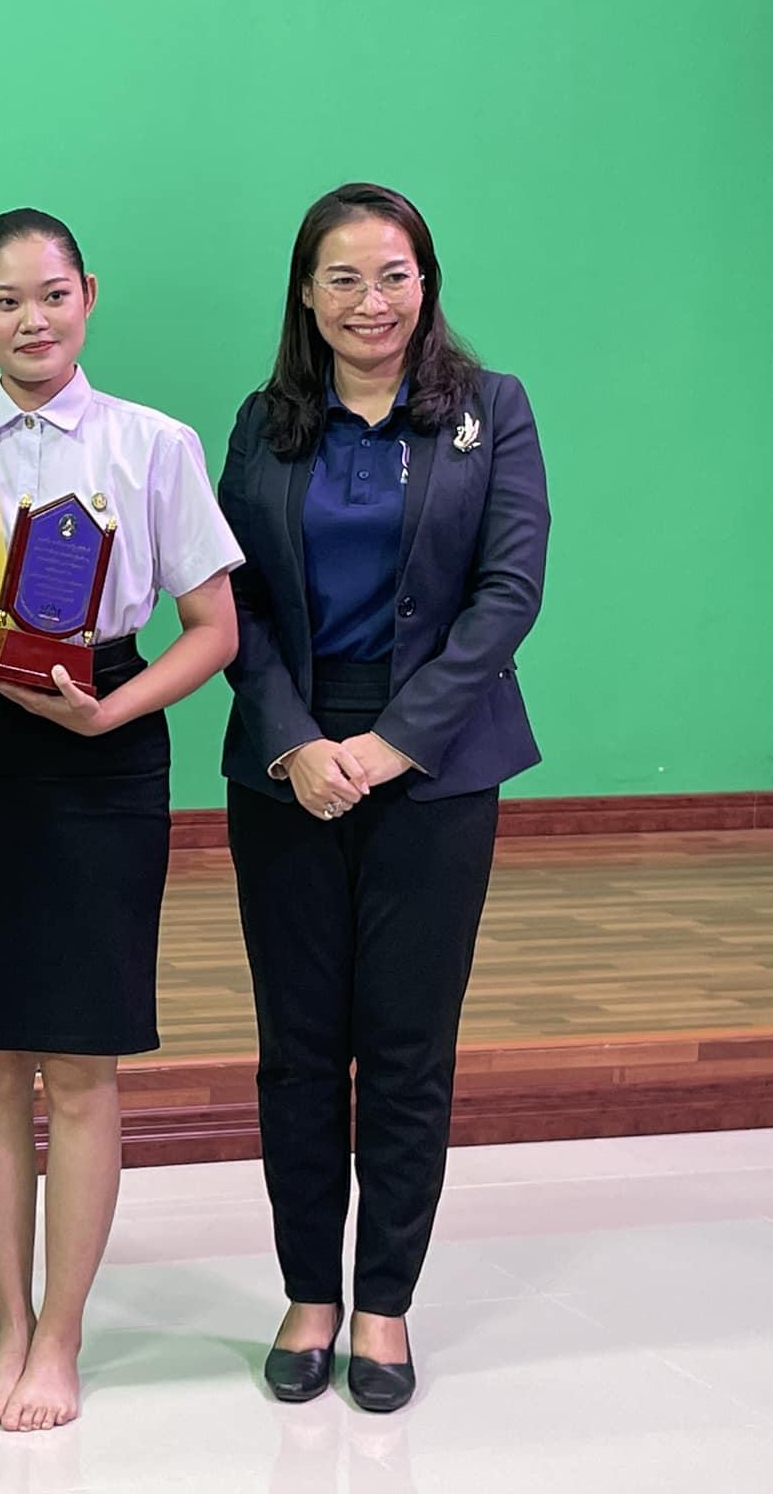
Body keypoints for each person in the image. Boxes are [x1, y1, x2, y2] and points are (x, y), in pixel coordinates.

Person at [0, 207, 242, 1433]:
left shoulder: (154, 446)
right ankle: (5, 1325)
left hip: (104, 752)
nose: (30, 320)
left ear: (87, 295)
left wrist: (111, 712)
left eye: (50, 295)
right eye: (2, 300)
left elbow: (214, 631)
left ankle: (63, 1340)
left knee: (80, 1066)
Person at [217, 182, 549, 1413]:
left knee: (405, 1050)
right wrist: (298, 741)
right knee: (298, 1048)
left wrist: (393, 743)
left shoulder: (489, 412)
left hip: (438, 764)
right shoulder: (262, 421)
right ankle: (309, 1292)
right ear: (305, 293)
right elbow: (227, 601)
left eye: (393, 274)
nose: (371, 300)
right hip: (286, 765)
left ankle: (385, 1305)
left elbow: (505, 593)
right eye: (343, 278)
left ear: (426, 283)